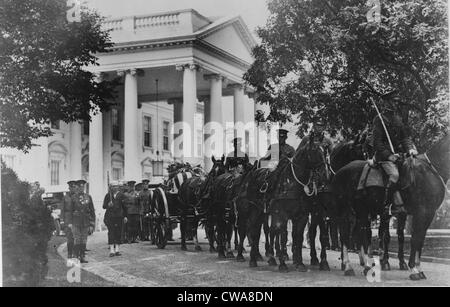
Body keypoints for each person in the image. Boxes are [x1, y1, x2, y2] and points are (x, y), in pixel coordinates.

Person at [372, 91, 417, 214]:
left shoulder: (398, 119)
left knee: (414, 170)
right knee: (394, 175)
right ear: (386, 102)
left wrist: (410, 149)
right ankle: (386, 205)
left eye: (396, 101)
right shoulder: (379, 119)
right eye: (393, 101)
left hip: (400, 155)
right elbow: (377, 143)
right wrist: (389, 156)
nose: (395, 104)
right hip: (384, 157)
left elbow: (405, 138)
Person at [65, 180, 95, 263]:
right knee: (77, 239)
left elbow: (92, 211)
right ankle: (76, 256)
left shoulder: (88, 197)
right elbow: (70, 211)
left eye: (83, 187)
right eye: (79, 187)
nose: (81, 188)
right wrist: (70, 223)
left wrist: (92, 223)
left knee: (84, 239)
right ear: (77, 187)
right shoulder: (73, 197)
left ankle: (82, 256)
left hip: (85, 221)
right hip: (76, 222)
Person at [260, 129, 296, 193]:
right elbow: (265, 158)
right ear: (277, 137)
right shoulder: (273, 147)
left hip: (287, 168)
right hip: (275, 167)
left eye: (282, 137)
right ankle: (267, 186)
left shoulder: (290, 148)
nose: (281, 139)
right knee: (271, 172)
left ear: (286, 138)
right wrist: (264, 161)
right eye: (279, 137)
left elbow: (294, 160)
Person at [103, 181, 127, 257]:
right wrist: (108, 205)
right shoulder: (108, 196)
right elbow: (103, 206)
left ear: (118, 187)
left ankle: (117, 249)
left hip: (119, 217)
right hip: (110, 217)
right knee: (111, 232)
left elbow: (124, 207)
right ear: (110, 187)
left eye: (116, 186)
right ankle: (111, 250)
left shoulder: (121, 195)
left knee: (118, 232)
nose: (115, 188)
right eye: (113, 186)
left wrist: (125, 216)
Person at [62, 181, 77, 258]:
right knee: (69, 237)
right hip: (67, 218)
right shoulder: (65, 197)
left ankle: (74, 253)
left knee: (75, 236)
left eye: (74, 187)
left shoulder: (77, 196)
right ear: (69, 188)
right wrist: (63, 221)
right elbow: (63, 209)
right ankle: (69, 253)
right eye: (71, 187)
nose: (72, 189)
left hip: (75, 218)